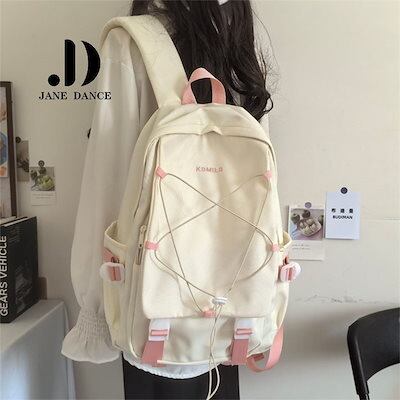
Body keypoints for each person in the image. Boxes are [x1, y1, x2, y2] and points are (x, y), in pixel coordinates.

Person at [61, 1, 278, 398]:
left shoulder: (130, 42)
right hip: (237, 305)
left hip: (154, 304)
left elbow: (107, 181)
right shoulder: (239, 44)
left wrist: (95, 307)